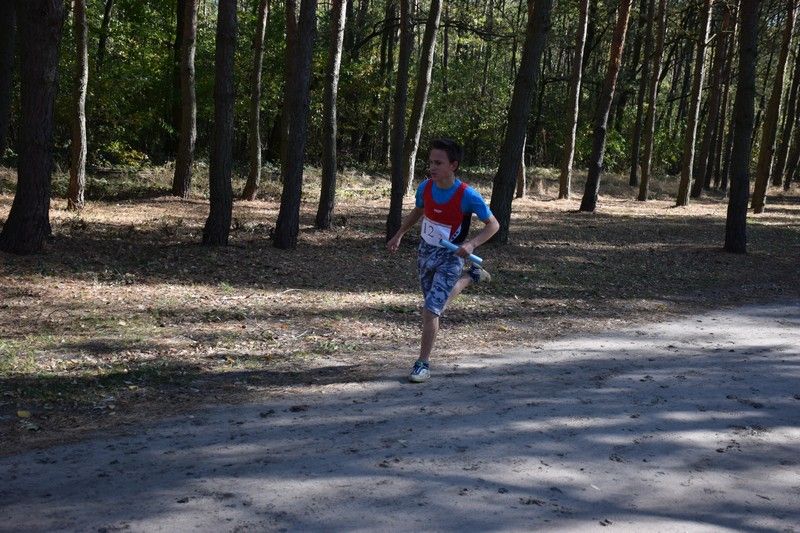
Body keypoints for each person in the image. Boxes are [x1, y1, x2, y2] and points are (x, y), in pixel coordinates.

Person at [387, 138, 499, 383]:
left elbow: (493, 225)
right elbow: (418, 211)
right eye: (431, 162)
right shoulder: (425, 188)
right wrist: (399, 234)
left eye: (439, 163)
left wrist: (470, 244)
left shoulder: (467, 195)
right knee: (435, 305)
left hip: (451, 258)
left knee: (431, 309)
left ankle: (422, 363)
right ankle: (472, 277)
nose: (433, 167)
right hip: (426, 254)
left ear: (453, 165)